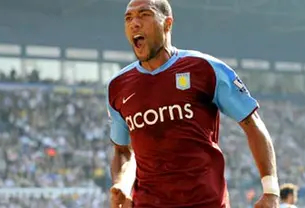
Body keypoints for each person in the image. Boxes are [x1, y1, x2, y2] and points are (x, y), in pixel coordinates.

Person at [106, 0, 280, 207]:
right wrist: (122, 185)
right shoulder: (118, 86)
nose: (134, 23)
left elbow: (252, 123)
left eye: (144, 15)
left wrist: (270, 191)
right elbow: (122, 150)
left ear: (167, 24)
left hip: (206, 202)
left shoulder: (205, 68)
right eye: (128, 18)